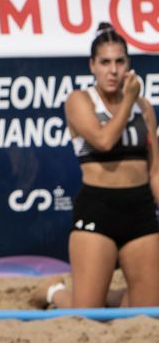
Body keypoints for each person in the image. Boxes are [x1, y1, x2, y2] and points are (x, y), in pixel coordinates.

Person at [38, 23, 159, 309]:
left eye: (119, 61)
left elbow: (154, 170)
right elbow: (104, 141)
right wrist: (128, 100)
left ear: (128, 64)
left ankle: (97, 296)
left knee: (147, 311)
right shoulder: (80, 101)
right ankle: (53, 292)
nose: (113, 70)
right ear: (92, 66)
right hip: (98, 208)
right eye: (105, 62)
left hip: (140, 209)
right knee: (87, 313)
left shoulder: (144, 107)